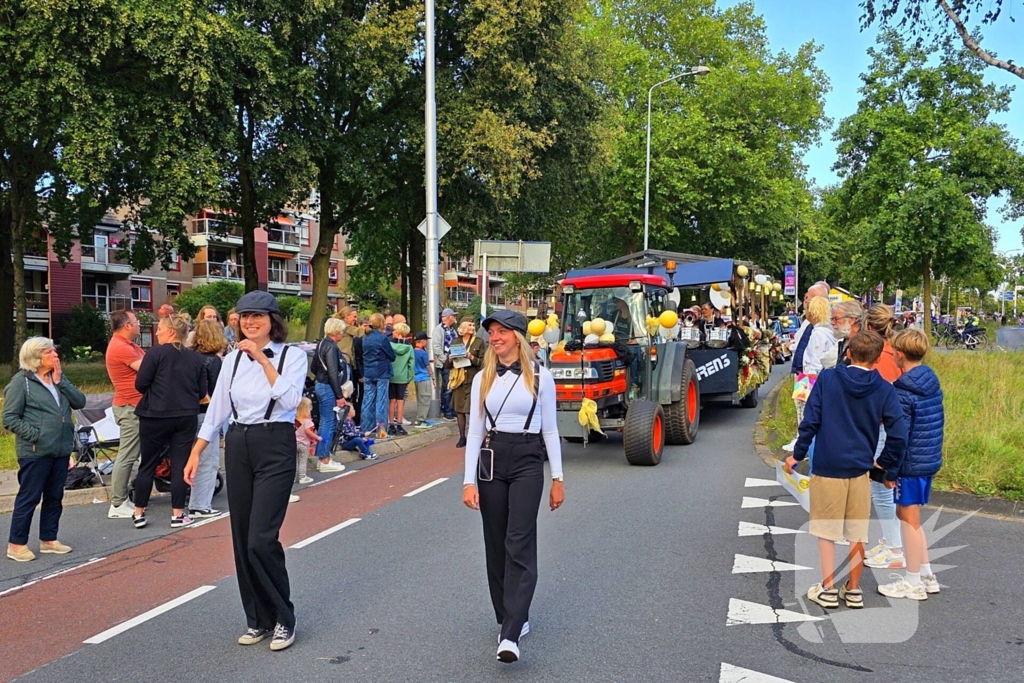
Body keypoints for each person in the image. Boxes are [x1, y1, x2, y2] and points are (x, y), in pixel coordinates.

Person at [184, 291, 308, 652]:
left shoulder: (292, 356)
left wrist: (262, 360)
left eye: (258, 316)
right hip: (239, 444)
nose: (250, 322)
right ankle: (258, 619)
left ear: (273, 321)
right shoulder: (231, 361)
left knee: (261, 537)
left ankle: (285, 618)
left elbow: (289, 400)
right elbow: (217, 411)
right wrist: (196, 453)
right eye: (245, 317)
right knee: (241, 538)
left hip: (276, 443)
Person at [462, 309, 564, 663]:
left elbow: (550, 429)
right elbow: (474, 431)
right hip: (491, 459)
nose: (496, 337)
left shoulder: (540, 376)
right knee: (495, 543)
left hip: (526, 458)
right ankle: (507, 616)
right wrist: (467, 481)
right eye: (492, 331)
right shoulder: (482, 378)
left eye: (503, 331)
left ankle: (510, 634)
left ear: (518, 337)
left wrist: (558, 479)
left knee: (519, 540)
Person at [785, 331, 908, 610]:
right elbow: (899, 434)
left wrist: (798, 454)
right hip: (860, 469)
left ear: (848, 351)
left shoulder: (828, 379)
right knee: (857, 533)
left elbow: (811, 420)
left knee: (827, 531)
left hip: (828, 466)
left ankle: (827, 588)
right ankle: (853, 590)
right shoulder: (885, 388)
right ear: (878, 360)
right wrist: (886, 465)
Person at [4, 338, 86, 562]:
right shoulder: (22, 383)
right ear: (35, 357)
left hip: (59, 450)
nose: (55, 355)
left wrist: (61, 383)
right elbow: (9, 418)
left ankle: (49, 540)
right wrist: (36, 435)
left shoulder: (57, 378)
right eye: (49, 352)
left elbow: (80, 402)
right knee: (29, 497)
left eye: (54, 351)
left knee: (54, 496)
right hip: (34, 451)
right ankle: (16, 544)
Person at [878, 329, 944, 600]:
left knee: (908, 521)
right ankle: (926, 574)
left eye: (893, 351)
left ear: (900, 354)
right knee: (911, 518)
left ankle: (913, 581)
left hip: (909, 462)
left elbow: (899, 435)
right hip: (927, 458)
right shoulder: (931, 381)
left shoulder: (902, 390)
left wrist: (888, 469)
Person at [132, 314, 208, 529]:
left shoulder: (154, 354)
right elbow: (202, 391)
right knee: (180, 464)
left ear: (171, 332)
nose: (157, 332)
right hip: (185, 415)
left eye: (160, 329)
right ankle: (177, 514)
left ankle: (139, 513)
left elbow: (140, 384)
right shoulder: (196, 359)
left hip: (154, 414)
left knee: (147, 463)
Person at [862, 304, 907, 571]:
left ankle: (894, 549)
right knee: (885, 492)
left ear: (869, 327)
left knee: (881, 491)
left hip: (880, 429)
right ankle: (892, 542)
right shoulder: (895, 353)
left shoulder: (881, 357)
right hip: (891, 427)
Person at [104, 310, 146, 520]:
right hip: (130, 407)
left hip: (135, 406)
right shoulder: (121, 347)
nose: (139, 324)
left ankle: (128, 496)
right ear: (127, 325)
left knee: (133, 454)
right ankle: (118, 503)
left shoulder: (130, 344)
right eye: (137, 321)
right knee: (127, 455)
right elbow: (148, 369)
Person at [784, 296, 836, 453]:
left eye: (807, 310)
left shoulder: (818, 333)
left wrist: (808, 382)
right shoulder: (825, 331)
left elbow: (815, 361)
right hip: (811, 376)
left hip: (809, 378)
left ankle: (804, 444)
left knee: (805, 410)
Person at [187, 319, 228, 518]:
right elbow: (217, 391)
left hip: (186, 413)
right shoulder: (214, 362)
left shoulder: (190, 357)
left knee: (190, 457)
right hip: (206, 414)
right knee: (207, 460)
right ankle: (200, 504)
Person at [312, 318, 349, 473]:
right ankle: (324, 459)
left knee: (324, 422)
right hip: (328, 387)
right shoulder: (332, 348)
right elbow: (333, 373)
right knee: (329, 422)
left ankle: (323, 455)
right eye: (341, 331)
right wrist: (339, 395)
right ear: (336, 331)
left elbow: (314, 366)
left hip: (320, 384)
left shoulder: (321, 344)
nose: (343, 334)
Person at [450, 316, 486, 448]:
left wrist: (471, 357)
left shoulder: (479, 342)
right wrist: (450, 358)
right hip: (459, 380)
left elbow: (484, 363)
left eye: (473, 325)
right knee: (460, 410)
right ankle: (462, 437)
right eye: (469, 325)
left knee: (473, 409)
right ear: (463, 326)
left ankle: (474, 435)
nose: (472, 327)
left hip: (473, 379)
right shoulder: (455, 341)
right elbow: (448, 365)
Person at [360, 313, 396, 436]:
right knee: (381, 401)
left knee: (367, 401)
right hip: (381, 372)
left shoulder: (365, 337)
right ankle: (381, 432)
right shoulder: (382, 338)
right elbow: (392, 356)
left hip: (368, 372)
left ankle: (366, 429)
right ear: (381, 323)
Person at [431, 308, 458, 420]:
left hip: (454, 361)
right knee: (447, 385)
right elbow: (436, 347)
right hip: (446, 362)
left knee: (452, 385)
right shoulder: (438, 330)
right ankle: (447, 411)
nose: (455, 318)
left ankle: (449, 408)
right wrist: (444, 360)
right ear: (448, 317)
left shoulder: (453, 330)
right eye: (453, 316)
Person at [388, 322, 414, 436]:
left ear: (397, 332)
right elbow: (411, 365)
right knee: (400, 401)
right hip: (403, 377)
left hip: (391, 376)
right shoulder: (409, 347)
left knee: (391, 401)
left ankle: (391, 425)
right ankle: (399, 424)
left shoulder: (389, 345)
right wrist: (409, 378)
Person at [293, 397, 320, 493]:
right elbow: (308, 432)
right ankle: (302, 477)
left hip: (295, 442)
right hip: (304, 443)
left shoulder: (295, 420)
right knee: (303, 461)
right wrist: (317, 437)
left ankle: (293, 477)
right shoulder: (307, 421)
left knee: (295, 461)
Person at [830, 300, 866, 367]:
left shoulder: (863, 343)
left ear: (851, 320)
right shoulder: (846, 339)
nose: (832, 323)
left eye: (836, 319)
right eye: (832, 319)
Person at [412, 331, 434, 429]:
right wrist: (433, 377)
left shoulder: (413, 351)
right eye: (426, 340)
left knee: (420, 399)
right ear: (422, 341)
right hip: (424, 378)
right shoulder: (423, 352)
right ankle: (420, 420)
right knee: (425, 400)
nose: (427, 342)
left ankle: (419, 419)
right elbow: (427, 366)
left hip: (416, 378)